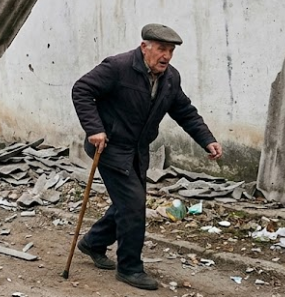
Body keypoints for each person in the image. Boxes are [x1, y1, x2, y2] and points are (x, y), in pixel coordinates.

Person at [71, 24, 223, 291]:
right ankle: (130, 268)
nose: (166, 56)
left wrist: (207, 140)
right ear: (145, 47)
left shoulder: (170, 78)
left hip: (138, 151)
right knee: (133, 205)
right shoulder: (117, 67)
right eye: (161, 49)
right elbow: (82, 90)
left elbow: (185, 112)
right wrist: (95, 129)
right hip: (108, 149)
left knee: (126, 204)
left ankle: (93, 243)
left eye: (171, 51)